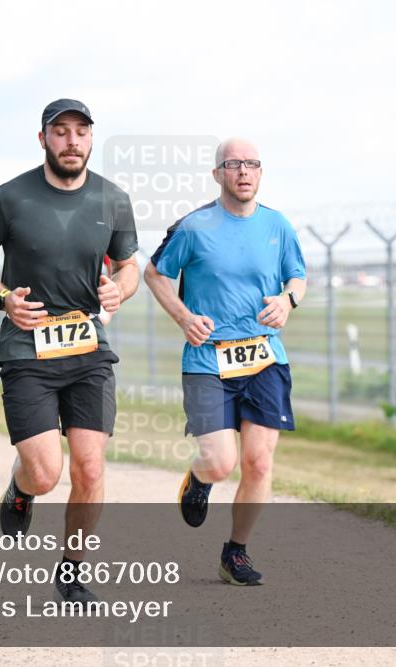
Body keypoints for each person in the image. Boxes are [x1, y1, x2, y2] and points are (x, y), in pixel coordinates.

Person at [0, 98, 139, 605]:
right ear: (43, 139)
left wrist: (119, 291)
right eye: (60, 132)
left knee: (90, 467)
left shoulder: (112, 199)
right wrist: (1, 297)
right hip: (27, 347)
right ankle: (21, 488)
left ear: (90, 139)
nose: (71, 141)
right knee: (45, 472)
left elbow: (127, 265)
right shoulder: (11, 196)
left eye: (81, 132)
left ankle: (73, 568)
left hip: (88, 348)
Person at [143, 138, 307, 587]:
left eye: (252, 164)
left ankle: (235, 553)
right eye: (233, 164)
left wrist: (288, 300)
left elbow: (298, 275)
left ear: (260, 172)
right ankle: (200, 479)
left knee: (258, 463)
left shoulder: (278, 226)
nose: (244, 172)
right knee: (220, 462)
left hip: (264, 356)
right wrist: (182, 316)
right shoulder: (194, 227)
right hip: (207, 359)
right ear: (218, 174)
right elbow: (154, 274)